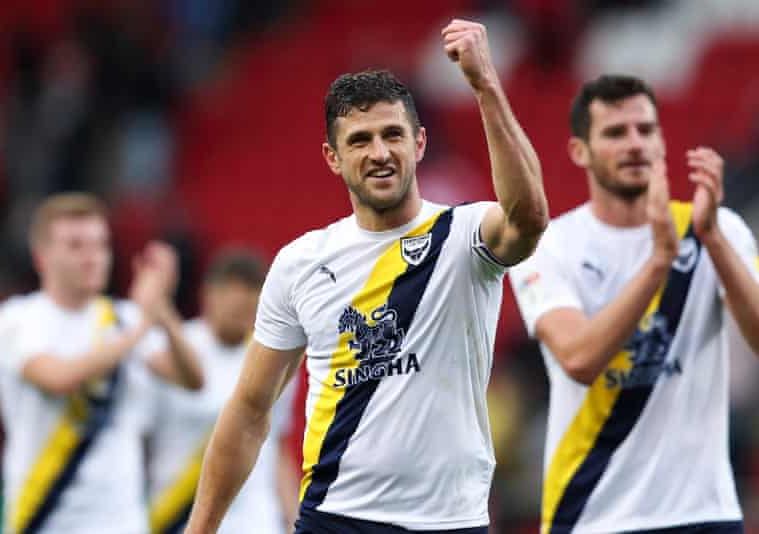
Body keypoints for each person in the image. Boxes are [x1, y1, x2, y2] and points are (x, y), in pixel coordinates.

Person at [185, 18, 549, 534]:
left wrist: (485, 86)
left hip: (449, 521)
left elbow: (529, 219)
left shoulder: (465, 234)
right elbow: (248, 411)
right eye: (359, 140)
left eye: (392, 135)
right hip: (336, 518)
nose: (379, 153)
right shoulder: (301, 262)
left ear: (419, 143)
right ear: (333, 158)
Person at [508, 74, 759, 534]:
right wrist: (661, 261)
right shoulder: (552, 245)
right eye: (615, 133)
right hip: (591, 512)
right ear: (580, 151)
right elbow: (579, 359)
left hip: (703, 512)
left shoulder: (718, 228)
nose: (635, 143)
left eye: (645, 130)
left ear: (662, 141)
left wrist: (712, 239)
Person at [0, 192, 204, 534]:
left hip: (120, 521)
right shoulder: (16, 319)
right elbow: (58, 378)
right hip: (42, 516)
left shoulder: (124, 317)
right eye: (76, 246)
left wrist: (162, 309)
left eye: (101, 245)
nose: (93, 257)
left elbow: (192, 379)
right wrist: (144, 323)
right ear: (41, 257)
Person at [147, 250, 299, 534]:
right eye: (234, 303)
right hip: (178, 516)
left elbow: (277, 448)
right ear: (208, 295)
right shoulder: (174, 347)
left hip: (255, 522)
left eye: (250, 305)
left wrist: (293, 520)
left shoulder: (274, 359)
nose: (242, 314)